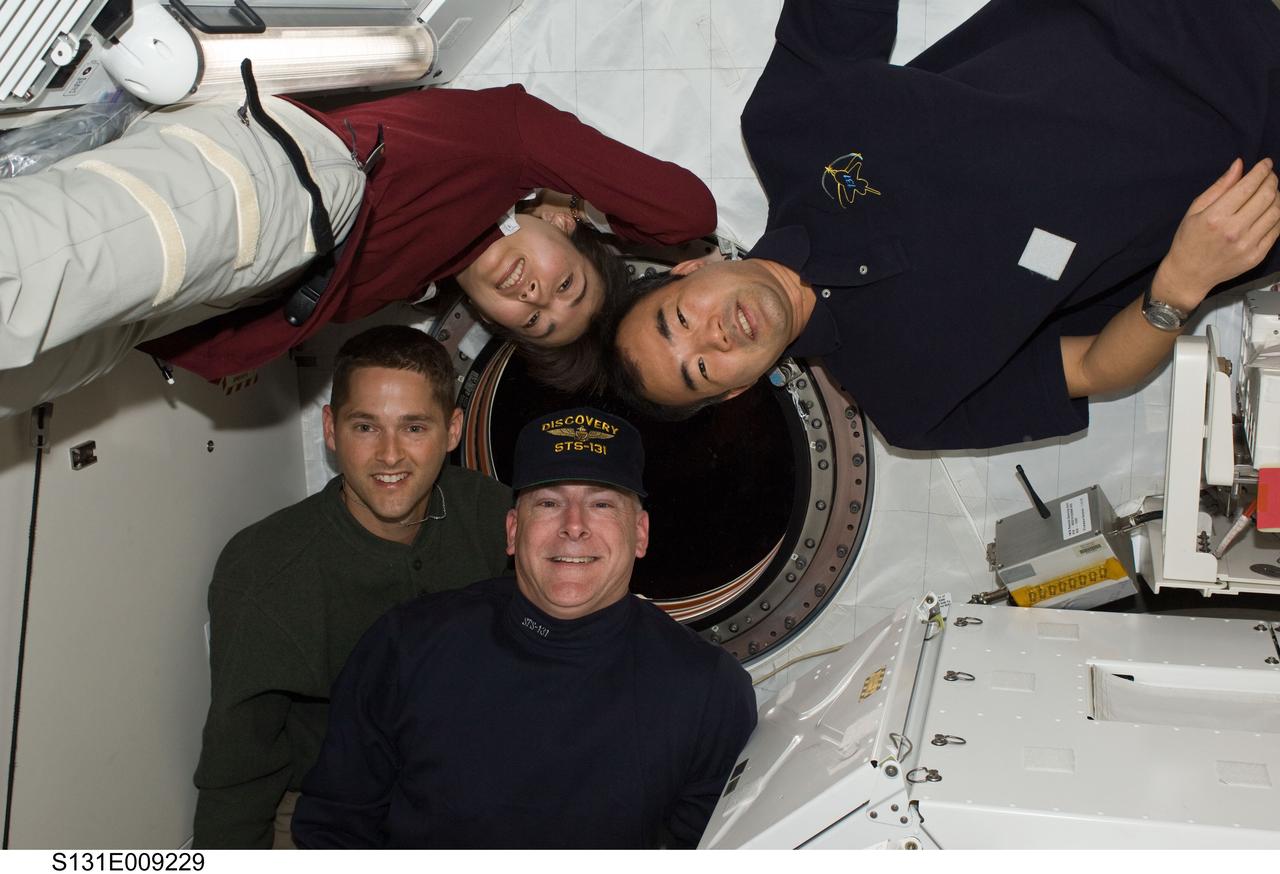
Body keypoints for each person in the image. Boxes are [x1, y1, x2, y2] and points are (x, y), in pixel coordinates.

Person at [604, 0, 1280, 451]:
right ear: (737, 387)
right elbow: (1098, 367)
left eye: (680, 319)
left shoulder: (788, 126)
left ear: (689, 270)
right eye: (701, 370)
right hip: (1259, 172)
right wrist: (1181, 285)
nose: (714, 337)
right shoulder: (907, 402)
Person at [0, 81, 716, 415]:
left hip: (206, 294)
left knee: (29, 372)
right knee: (31, 275)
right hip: (289, 184)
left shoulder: (417, 281)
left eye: (534, 321)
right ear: (565, 225)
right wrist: (673, 261)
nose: (535, 297)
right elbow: (689, 209)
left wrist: (239, 349)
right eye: (567, 288)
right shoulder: (508, 146)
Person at [291, 406, 758, 849]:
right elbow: (334, 827)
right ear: (513, 531)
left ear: (640, 533)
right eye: (550, 502)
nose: (574, 527)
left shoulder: (707, 689)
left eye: (601, 504)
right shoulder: (407, 646)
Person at [192, 325, 512, 849]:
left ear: (453, 431)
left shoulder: (491, 514)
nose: (390, 456)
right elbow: (238, 767)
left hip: (464, 792)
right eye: (366, 427)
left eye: (414, 428)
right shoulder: (267, 567)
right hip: (323, 810)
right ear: (331, 430)